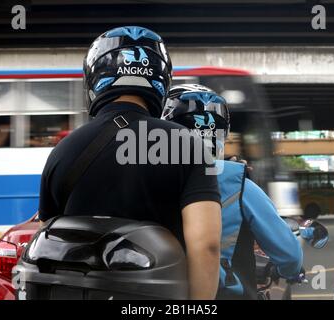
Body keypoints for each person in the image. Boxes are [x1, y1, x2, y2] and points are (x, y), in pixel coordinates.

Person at [38, 26, 222, 299]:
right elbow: (206, 245)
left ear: (94, 79)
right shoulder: (187, 144)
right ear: (162, 79)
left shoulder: (61, 151)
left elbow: (50, 240)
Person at [161, 84, 303, 299]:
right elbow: (290, 256)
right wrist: (290, 272)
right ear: (222, 135)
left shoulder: (143, 177)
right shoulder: (237, 181)